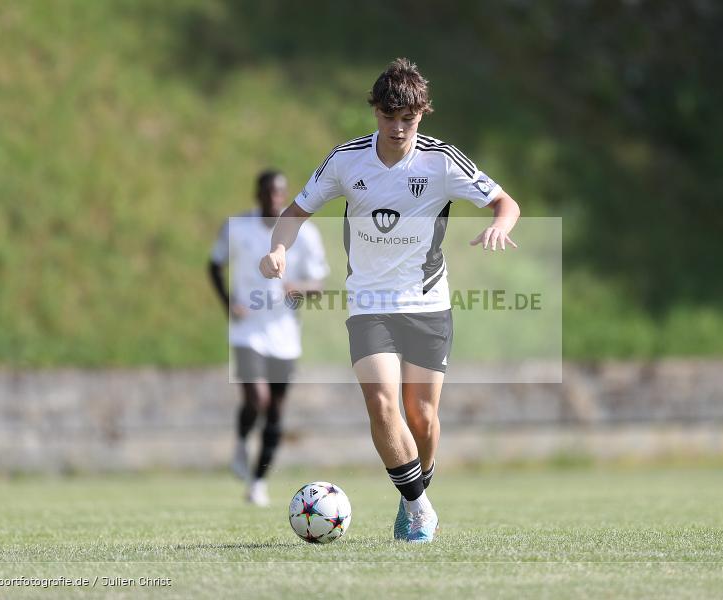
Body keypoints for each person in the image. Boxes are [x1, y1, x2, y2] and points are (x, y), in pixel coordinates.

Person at [259, 58, 520, 542]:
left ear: (423, 114)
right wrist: (277, 249)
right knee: (382, 404)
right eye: (388, 117)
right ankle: (419, 506)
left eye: (409, 119)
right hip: (369, 303)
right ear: (374, 112)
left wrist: (499, 225)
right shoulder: (346, 160)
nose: (398, 129)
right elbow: (296, 211)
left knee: (421, 417)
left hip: (427, 303)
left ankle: (413, 494)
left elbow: (505, 202)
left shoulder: (441, 161)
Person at [209, 169, 329, 506]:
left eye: (280, 194)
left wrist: (297, 287)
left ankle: (258, 482)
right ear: (258, 194)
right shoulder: (238, 228)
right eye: (268, 193)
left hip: (285, 334)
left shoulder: (305, 236)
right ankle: (242, 438)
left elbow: (318, 284)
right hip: (247, 330)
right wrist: (228, 303)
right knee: (256, 400)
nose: (274, 199)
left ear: (285, 196)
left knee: (276, 411)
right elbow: (214, 265)